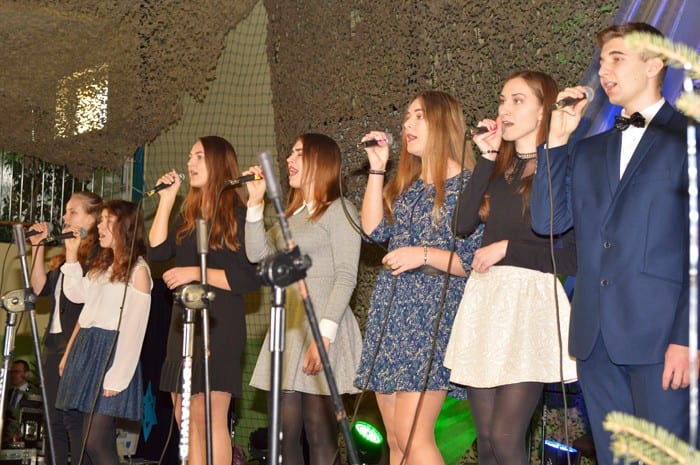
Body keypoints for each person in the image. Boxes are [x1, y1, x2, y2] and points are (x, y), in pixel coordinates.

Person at [529, 23, 697, 465]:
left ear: (654, 63)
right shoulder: (589, 149)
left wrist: (687, 338)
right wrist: (557, 141)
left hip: (662, 337)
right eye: (602, 61)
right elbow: (547, 221)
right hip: (595, 338)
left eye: (617, 58)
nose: (604, 70)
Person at [443, 70, 577, 465]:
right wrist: (486, 158)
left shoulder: (561, 167)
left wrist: (508, 249)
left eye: (518, 101)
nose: (505, 109)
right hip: (487, 300)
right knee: (485, 440)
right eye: (503, 100)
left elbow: (571, 257)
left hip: (529, 305)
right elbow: (461, 224)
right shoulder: (500, 170)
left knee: (505, 436)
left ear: (544, 111)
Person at [354, 90, 482, 465]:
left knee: (413, 436)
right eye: (407, 117)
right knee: (396, 439)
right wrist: (377, 169)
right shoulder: (407, 188)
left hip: (430, 317)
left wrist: (422, 254)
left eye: (418, 116)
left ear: (442, 123)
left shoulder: (468, 187)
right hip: (392, 314)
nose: (407, 124)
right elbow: (372, 231)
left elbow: (473, 262)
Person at [244, 133, 362, 465]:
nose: (288, 160)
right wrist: (255, 204)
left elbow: (346, 275)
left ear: (320, 161)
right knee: (283, 435)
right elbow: (258, 255)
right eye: (290, 153)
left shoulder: (341, 210)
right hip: (289, 328)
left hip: (323, 326)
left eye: (298, 153)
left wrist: (323, 337)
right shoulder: (291, 218)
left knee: (319, 434)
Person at [149, 136, 260, 465]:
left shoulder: (239, 215)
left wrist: (195, 273)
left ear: (219, 163)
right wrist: (167, 200)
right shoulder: (189, 215)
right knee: (184, 416)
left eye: (198, 156)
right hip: (183, 324)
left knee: (207, 415)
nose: (190, 163)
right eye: (189, 156)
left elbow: (248, 278)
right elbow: (157, 251)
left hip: (219, 323)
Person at [56, 200, 152, 465]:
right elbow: (76, 295)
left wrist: (118, 376)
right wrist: (72, 255)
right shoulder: (102, 264)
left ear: (125, 226)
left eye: (107, 220)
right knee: (85, 438)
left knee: (95, 441)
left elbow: (135, 330)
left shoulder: (138, 271)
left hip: (110, 354)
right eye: (100, 220)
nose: (99, 226)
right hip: (87, 348)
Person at [28, 191, 101, 465]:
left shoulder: (99, 257)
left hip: (77, 346)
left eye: (73, 212)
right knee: (53, 422)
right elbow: (38, 288)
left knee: (74, 422)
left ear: (92, 219)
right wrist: (38, 247)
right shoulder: (64, 258)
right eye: (65, 211)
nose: (65, 217)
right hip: (53, 345)